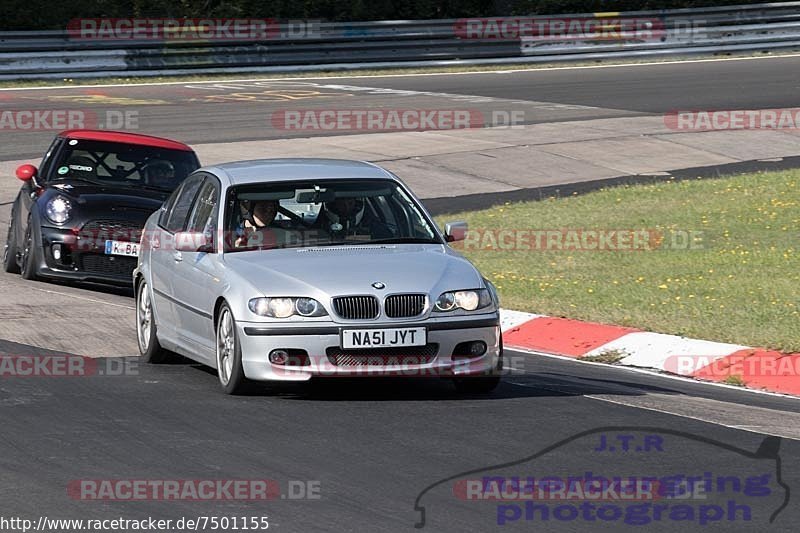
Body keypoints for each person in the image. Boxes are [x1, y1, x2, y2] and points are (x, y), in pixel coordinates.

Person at [314, 197, 393, 240]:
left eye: (350, 203)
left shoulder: (375, 227)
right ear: (333, 205)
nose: (346, 207)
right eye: (341, 204)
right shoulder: (316, 230)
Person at [235, 199, 299, 249]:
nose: (268, 214)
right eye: (262, 209)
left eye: (271, 210)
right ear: (248, 211)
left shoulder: (281, 233)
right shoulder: (232, 232)